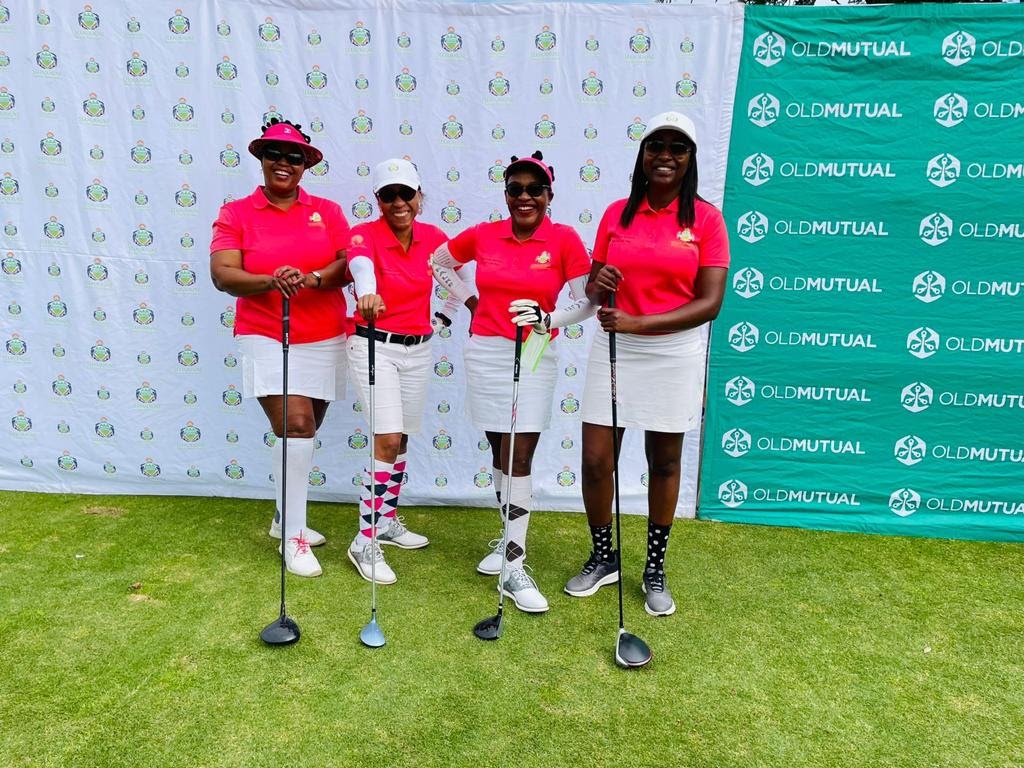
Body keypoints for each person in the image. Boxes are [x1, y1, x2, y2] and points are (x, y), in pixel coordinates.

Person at [564, 111, 730, 616]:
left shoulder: (706, 220)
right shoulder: (617, 213)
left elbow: (710, 303)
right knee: (596, 460)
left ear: (690, 158)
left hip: (673, 351)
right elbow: (592, 291)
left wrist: (639, 323)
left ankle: (654, 567)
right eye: (656, 145)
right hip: (616, 345)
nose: (665, 156)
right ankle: (604, 557)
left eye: (678, 148)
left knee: (665, 461)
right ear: (642, 154)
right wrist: (599, 283)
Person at [431, 151, 596, 613]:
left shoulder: (564, 239)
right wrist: (471, 301)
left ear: (549, 194)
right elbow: (438, 262)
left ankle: (515, 566)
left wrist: (549, 318)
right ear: (506, 195)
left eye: (534, 189)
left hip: (536, 350)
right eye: (515, 189)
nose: (525, 197)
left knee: (519, 454)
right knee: (499, 450)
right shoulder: (484, 234)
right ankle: (508, 540)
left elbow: (587, 302)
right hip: (486, 351)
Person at [210, 118, 351, 578]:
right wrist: (270, 281)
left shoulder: (328, 211)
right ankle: (294, 536)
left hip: (324, 332)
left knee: (309, 428)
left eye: (294, 156)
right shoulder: (236, 213)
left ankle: (281, 516)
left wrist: (311, 278)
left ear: (305, 164)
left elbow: (347, 264)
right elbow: (223, 274)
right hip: (266, 332)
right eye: (274, 154)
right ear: (261, 159)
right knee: (296, 425)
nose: (284, 163)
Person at [344, 158, 450, 584]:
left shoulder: (434, 238)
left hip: (418, 349)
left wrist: (446, 316)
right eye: (388, 195)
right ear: (378, 200)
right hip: (373, 345)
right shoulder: (363, 234)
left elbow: (457, 279)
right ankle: (364, 539)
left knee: (402, 437)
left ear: (419, 196)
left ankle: (386, 520)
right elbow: (360, 267)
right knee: (386, 438)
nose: (398, 202)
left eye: (406, 193)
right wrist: (367, 294)